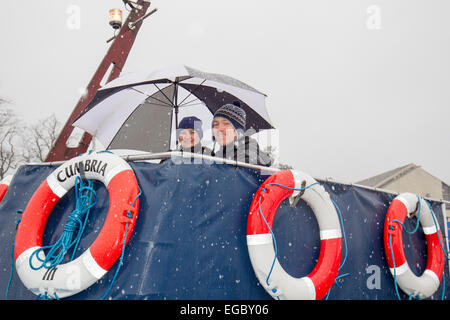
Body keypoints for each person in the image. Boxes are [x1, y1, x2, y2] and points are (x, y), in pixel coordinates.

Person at [211, 101, 272, 167]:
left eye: (226, 123)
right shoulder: (220, 154)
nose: (220, 129)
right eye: (216, 124)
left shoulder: (250, 152)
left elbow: (236, 172)